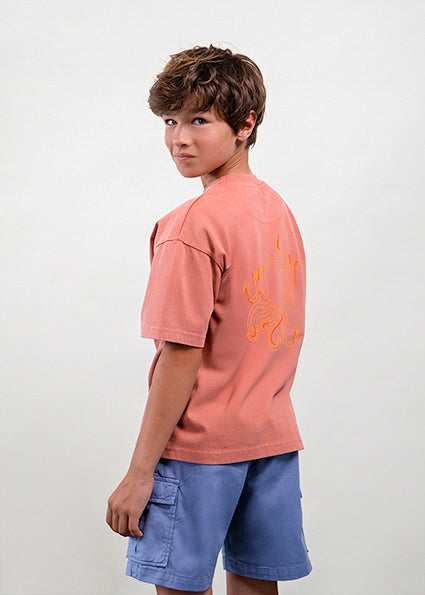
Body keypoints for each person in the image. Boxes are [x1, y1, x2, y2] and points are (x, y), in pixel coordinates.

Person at [106, 44, 312, 595]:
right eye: (170, 121)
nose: (180, 138)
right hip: (269, 438)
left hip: (200, 448)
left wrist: (140, 473)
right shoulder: (278, 211)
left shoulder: (190, 225)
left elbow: (181, 353)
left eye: (199, 120)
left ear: (245, 125)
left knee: (178, 586)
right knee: (256, 585)